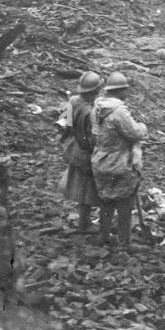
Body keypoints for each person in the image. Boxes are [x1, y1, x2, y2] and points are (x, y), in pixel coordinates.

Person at [90, 71, 148, 251]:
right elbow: (134, 133)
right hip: (119, 162)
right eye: (126, 90)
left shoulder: (97, 107)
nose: (127, 93)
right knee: (125, 203)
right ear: (120, 90)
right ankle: (124, 242)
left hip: (100, 160)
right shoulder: (119, 111)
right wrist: (143, 127)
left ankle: (103, 236)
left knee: (106, 200)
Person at [58, 70, 102, 232]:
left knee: (80, 184)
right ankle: (85, 223)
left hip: (73, 147)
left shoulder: (73, 100)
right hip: (84, 152)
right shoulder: (90, 111)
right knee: (86, 188)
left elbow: (64, 123)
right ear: (95, 90)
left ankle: (84, 220)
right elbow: (92, 138)